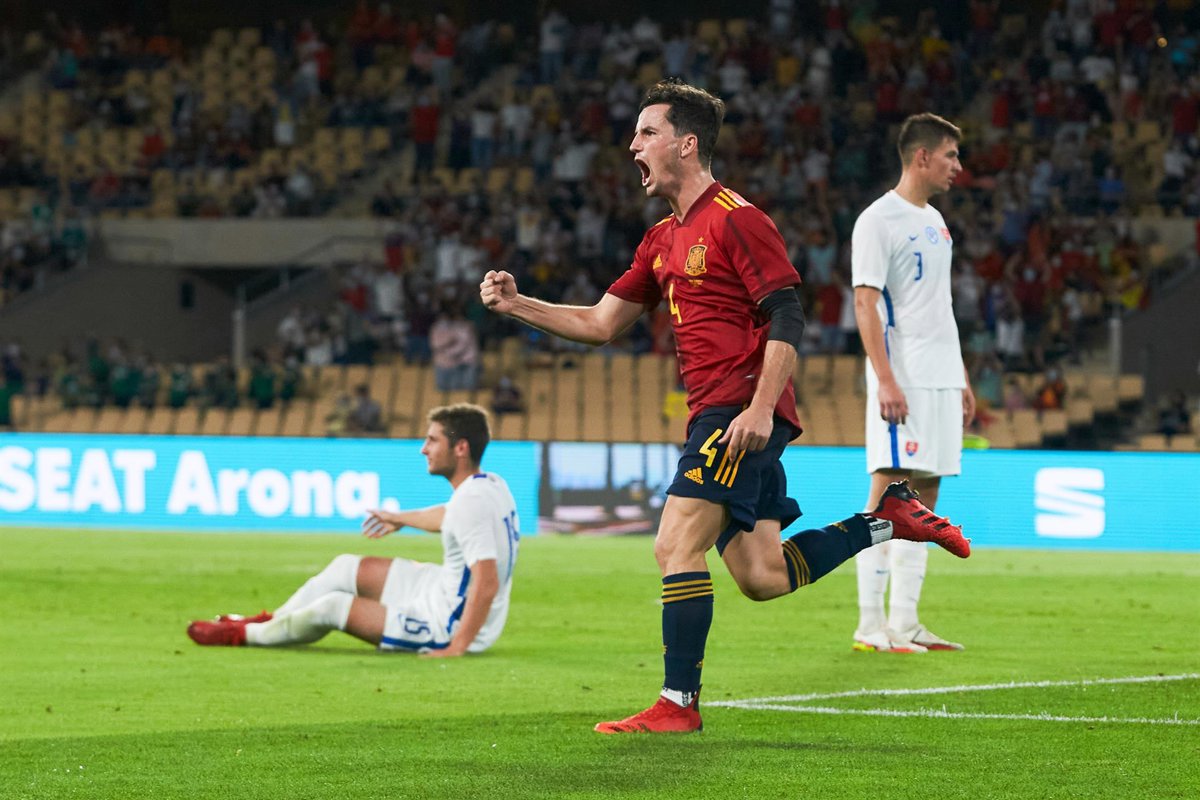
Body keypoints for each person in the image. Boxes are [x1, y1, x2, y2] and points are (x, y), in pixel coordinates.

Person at [480, 79, 969, 734]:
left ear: (686, 144)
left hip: (738, 410)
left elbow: (787, 314)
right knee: (763, 575)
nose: (633, 146)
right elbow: (600, 323)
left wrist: (761, 408)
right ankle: (885, 519)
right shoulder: (660, 239)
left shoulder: (738, 219)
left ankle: (678, 703)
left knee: (674, 544)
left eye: (646, 133)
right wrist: (519, 305)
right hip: (723, 412)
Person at [187, 404, 520, 657]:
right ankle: (270, 620)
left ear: (460, 448)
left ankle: (242, 636)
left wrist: (458, 645)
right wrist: (401, 518)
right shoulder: (489, 484)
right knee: (347, 567)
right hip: (441, 587)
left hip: (448, 623)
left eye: (432, 440)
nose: (424, 448)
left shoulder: (471, 502)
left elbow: (486, 581)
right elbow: (450, 516)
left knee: (333, 606)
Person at [849, 112, 977, 655]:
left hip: (940, 375)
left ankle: (905, 622)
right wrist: (885, 379)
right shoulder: (878, 220)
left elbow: (938, 306)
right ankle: (869, 624)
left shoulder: (937, 221)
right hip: (903, 376)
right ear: (922, 156)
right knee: (886, 499)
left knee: (925, 500)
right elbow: (865, 302)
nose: (957, 166)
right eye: (950, 155)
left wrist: (960, 374)